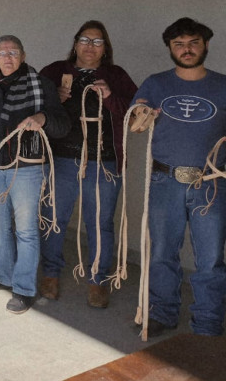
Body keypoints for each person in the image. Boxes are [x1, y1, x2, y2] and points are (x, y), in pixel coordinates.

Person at [133, 17, 226, 337]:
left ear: (206, 44)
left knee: (211, 258)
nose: (187, 50)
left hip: (210, 184)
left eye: (193, 43)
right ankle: (162, 313)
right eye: (179, 44)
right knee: (162, 253)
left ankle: (208, 321)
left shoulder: (223, 85)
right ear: (170, 49)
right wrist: (142, 114)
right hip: (165, 182)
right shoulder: (156, 84)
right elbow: (136, 120)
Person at [38, 21, 137, 308]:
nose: (90, 46)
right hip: (62, 159)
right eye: (84, 39)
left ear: (105, 48)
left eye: (97, 41)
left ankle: (98, 279)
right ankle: (51, 274)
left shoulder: (116, 76)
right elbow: (33, 105)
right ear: (75, 43)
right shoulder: (55, 71)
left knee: (101, 223)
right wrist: (52, 99)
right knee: (53, 219)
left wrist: (109, 97)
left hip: (103, 161)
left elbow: (136, 113)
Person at [0, 35, 70, 314]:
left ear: (23, 56)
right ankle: (4, 275)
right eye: (2, 53)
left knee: (25, 230)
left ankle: (24, 288)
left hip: (28, 168)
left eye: (13, 52)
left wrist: (43, 119)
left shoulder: (41, 85)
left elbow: (62, 124)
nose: (7, 57)